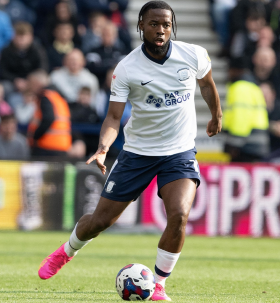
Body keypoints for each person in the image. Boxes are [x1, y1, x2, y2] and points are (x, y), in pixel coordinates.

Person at [38, 1, 222, 301]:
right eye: (153, 24)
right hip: (137, 153)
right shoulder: (127, 67)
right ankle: (65, 251)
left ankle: (159, 284)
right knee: (100, 222)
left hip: (179, 152)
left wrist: (216, 114)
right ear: (140, 26)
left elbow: (207, 84)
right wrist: (103, 147)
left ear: (172, 25)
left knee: (179, 215)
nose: (160, 30)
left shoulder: (194, 54)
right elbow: (113, 117)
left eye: (165, 24)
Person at [27, 69, 72, 157]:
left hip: (47, 147)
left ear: (37, 83)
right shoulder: (58, 96)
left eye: (31, 84)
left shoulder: (45, 96)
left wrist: (35, 136)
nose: (30, 88)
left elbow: (48, 118)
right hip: (61, 146)